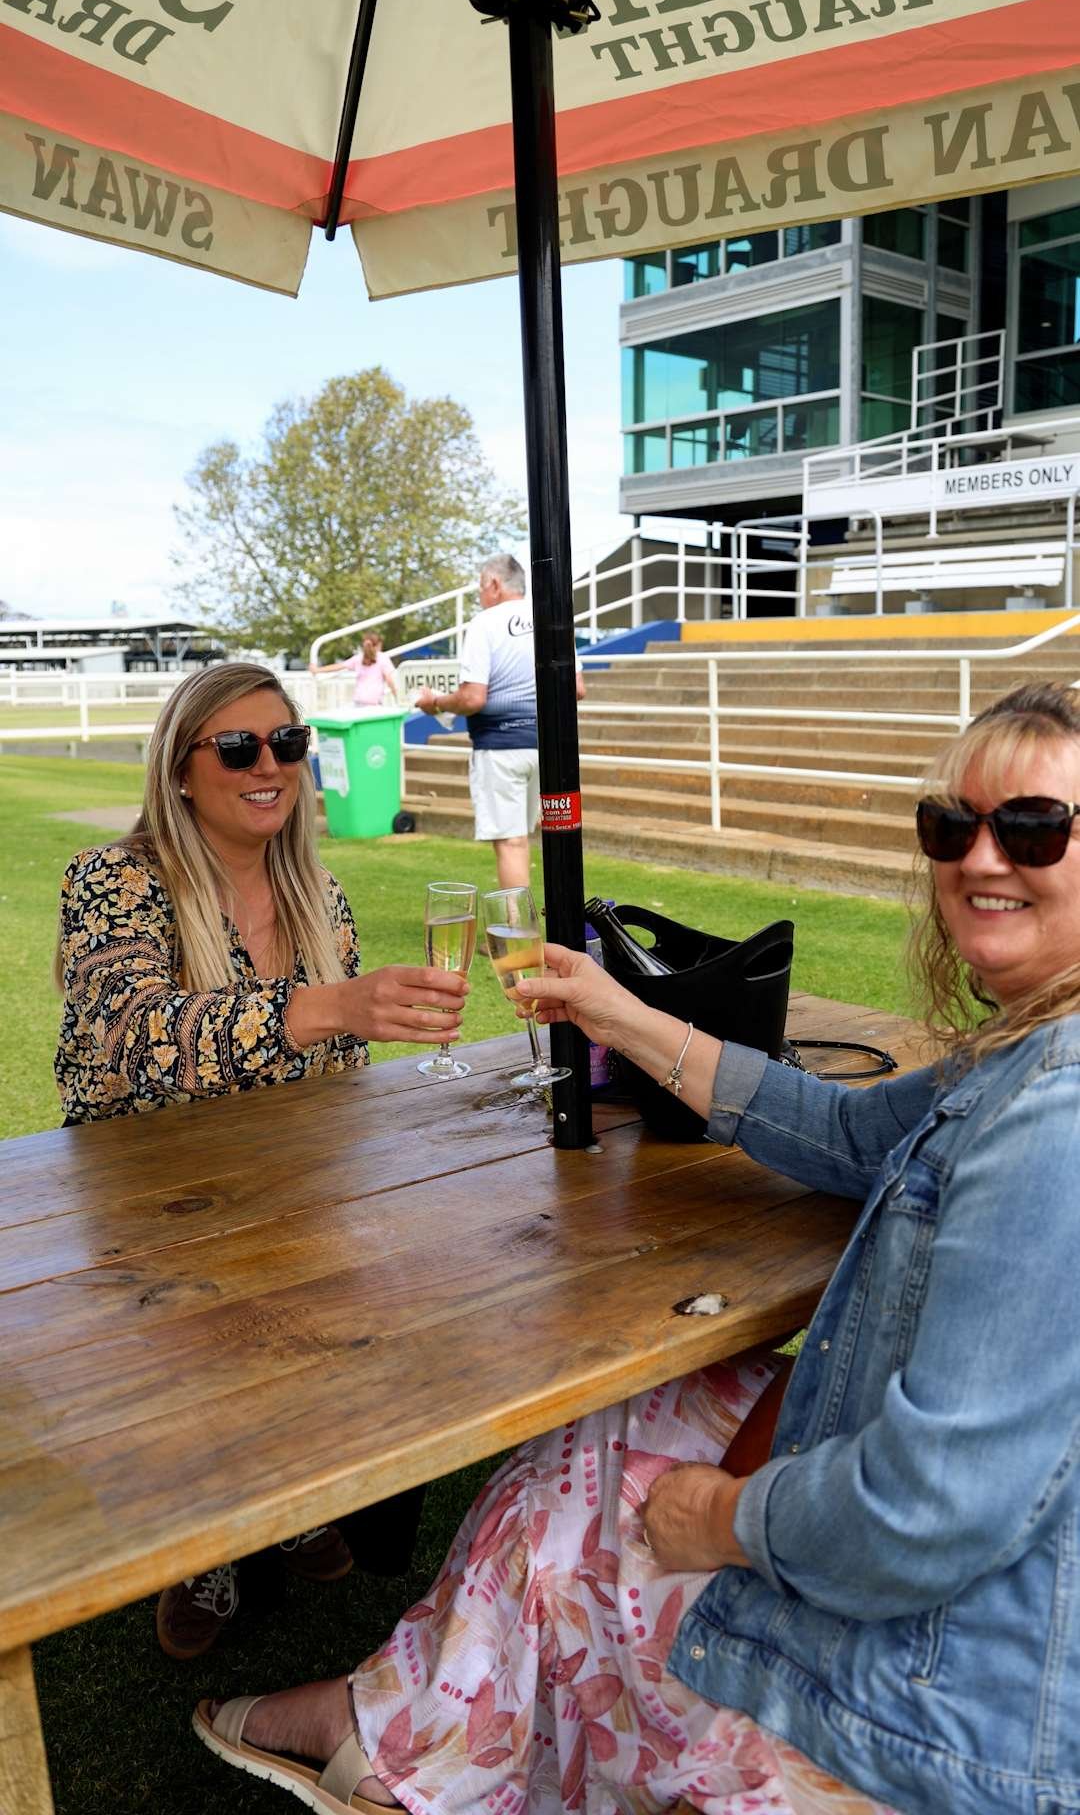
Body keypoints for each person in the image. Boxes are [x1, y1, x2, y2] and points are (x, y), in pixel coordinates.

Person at [195, 679, 1080, 1815]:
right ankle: (399, 1726)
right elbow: (850, 1129)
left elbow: (930, 1509)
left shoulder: (1053, 1116)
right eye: (951, 827)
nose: (980, 859)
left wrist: (722, 1518)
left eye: (1034, 827)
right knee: (609, 1422)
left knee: (601, 1502)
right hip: (990, 1593)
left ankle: (397, 1739)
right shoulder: (1022, 1056)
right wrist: (617, 1014)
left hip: (952, 1713)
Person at [55, 661, 466, 1660]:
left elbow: (347, 1077)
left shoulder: (319, 894)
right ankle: (207, 1549)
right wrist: (327, 1005)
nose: (268, 764)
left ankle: (292, 1504)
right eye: (237, 747)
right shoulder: (111, 881)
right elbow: (128, 1032)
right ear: (183, 770)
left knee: (330, 1327)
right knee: (199, 1369)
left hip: (292, 1188)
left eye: (286, 743)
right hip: (152, 1199)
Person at [414, 555, 585, 889]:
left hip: (500, 749)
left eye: (480, 586)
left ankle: (517, 935)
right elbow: (576, 689)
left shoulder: (485, 623)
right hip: (546, 749)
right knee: (538, 838)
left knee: (511, 842)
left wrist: (434, 702)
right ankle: (544, 929)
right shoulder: (552, 618)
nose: (480, 594)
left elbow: (473, 698)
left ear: (494, 585)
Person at [314, 631, 399, 708]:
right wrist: (396, 695)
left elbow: (338, 666)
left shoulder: (358, 658)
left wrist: (317, 669)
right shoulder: (382, 658)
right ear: (379, 644)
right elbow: (389, 679)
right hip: (374, 703)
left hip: (359, 700)